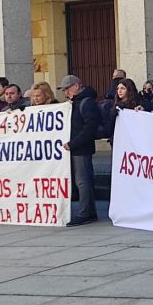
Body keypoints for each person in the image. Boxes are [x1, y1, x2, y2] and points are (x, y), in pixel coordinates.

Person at [59, 75, 101, 226]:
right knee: (83, 181)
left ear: (77, 86)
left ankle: (85, 213)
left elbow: (89, 127)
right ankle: (89, 212)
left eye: (67, 89)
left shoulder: (86, 102)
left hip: (81, 148)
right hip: (76, 147)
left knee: (82, 181)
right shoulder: (75, 102)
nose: (66, 92)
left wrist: (74, 143)